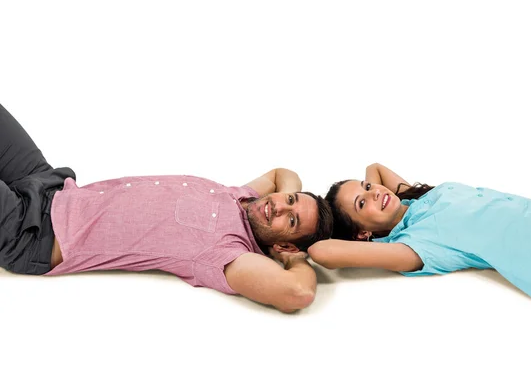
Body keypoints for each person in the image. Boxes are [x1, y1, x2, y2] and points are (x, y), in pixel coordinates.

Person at [0, 104, 333, 313]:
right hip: (49, 185)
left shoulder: (230, 254)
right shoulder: (240, 197)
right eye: (289, 201)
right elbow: (281, 174)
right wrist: (293, 200)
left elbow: (297, 293)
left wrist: (295, 256)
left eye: (291, 221)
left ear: (284, 244)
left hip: (31, 234)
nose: (278, 207)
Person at [308, 163, 531, 301]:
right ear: (362, 236)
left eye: (367, 186)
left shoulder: (415, 202)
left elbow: (375, 167)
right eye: (361, 203)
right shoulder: (412, 246)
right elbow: (323, 252)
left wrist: (365, 202)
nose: (374, 193)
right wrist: (316, 226)